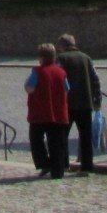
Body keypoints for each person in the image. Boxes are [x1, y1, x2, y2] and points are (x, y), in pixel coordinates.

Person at [57, 33, 103, 173]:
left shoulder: (61, 59)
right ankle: (87, 167)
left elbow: (58, 79)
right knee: (85, 136)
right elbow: (96, 79)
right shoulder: (86, 58)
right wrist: (97, 99)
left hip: (67, 103)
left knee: (62, 135)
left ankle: (63, 164)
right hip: (85, 102)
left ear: (62, 46)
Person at [26, 42, 72, 179]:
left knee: (36, 140)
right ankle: (58, 171)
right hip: (59, 113)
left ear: (42, 57)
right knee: (57, 142)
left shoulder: (37, 71)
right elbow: (67, 89)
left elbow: (29, 88)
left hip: (40, 113)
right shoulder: (62, 72)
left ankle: (44, 164)